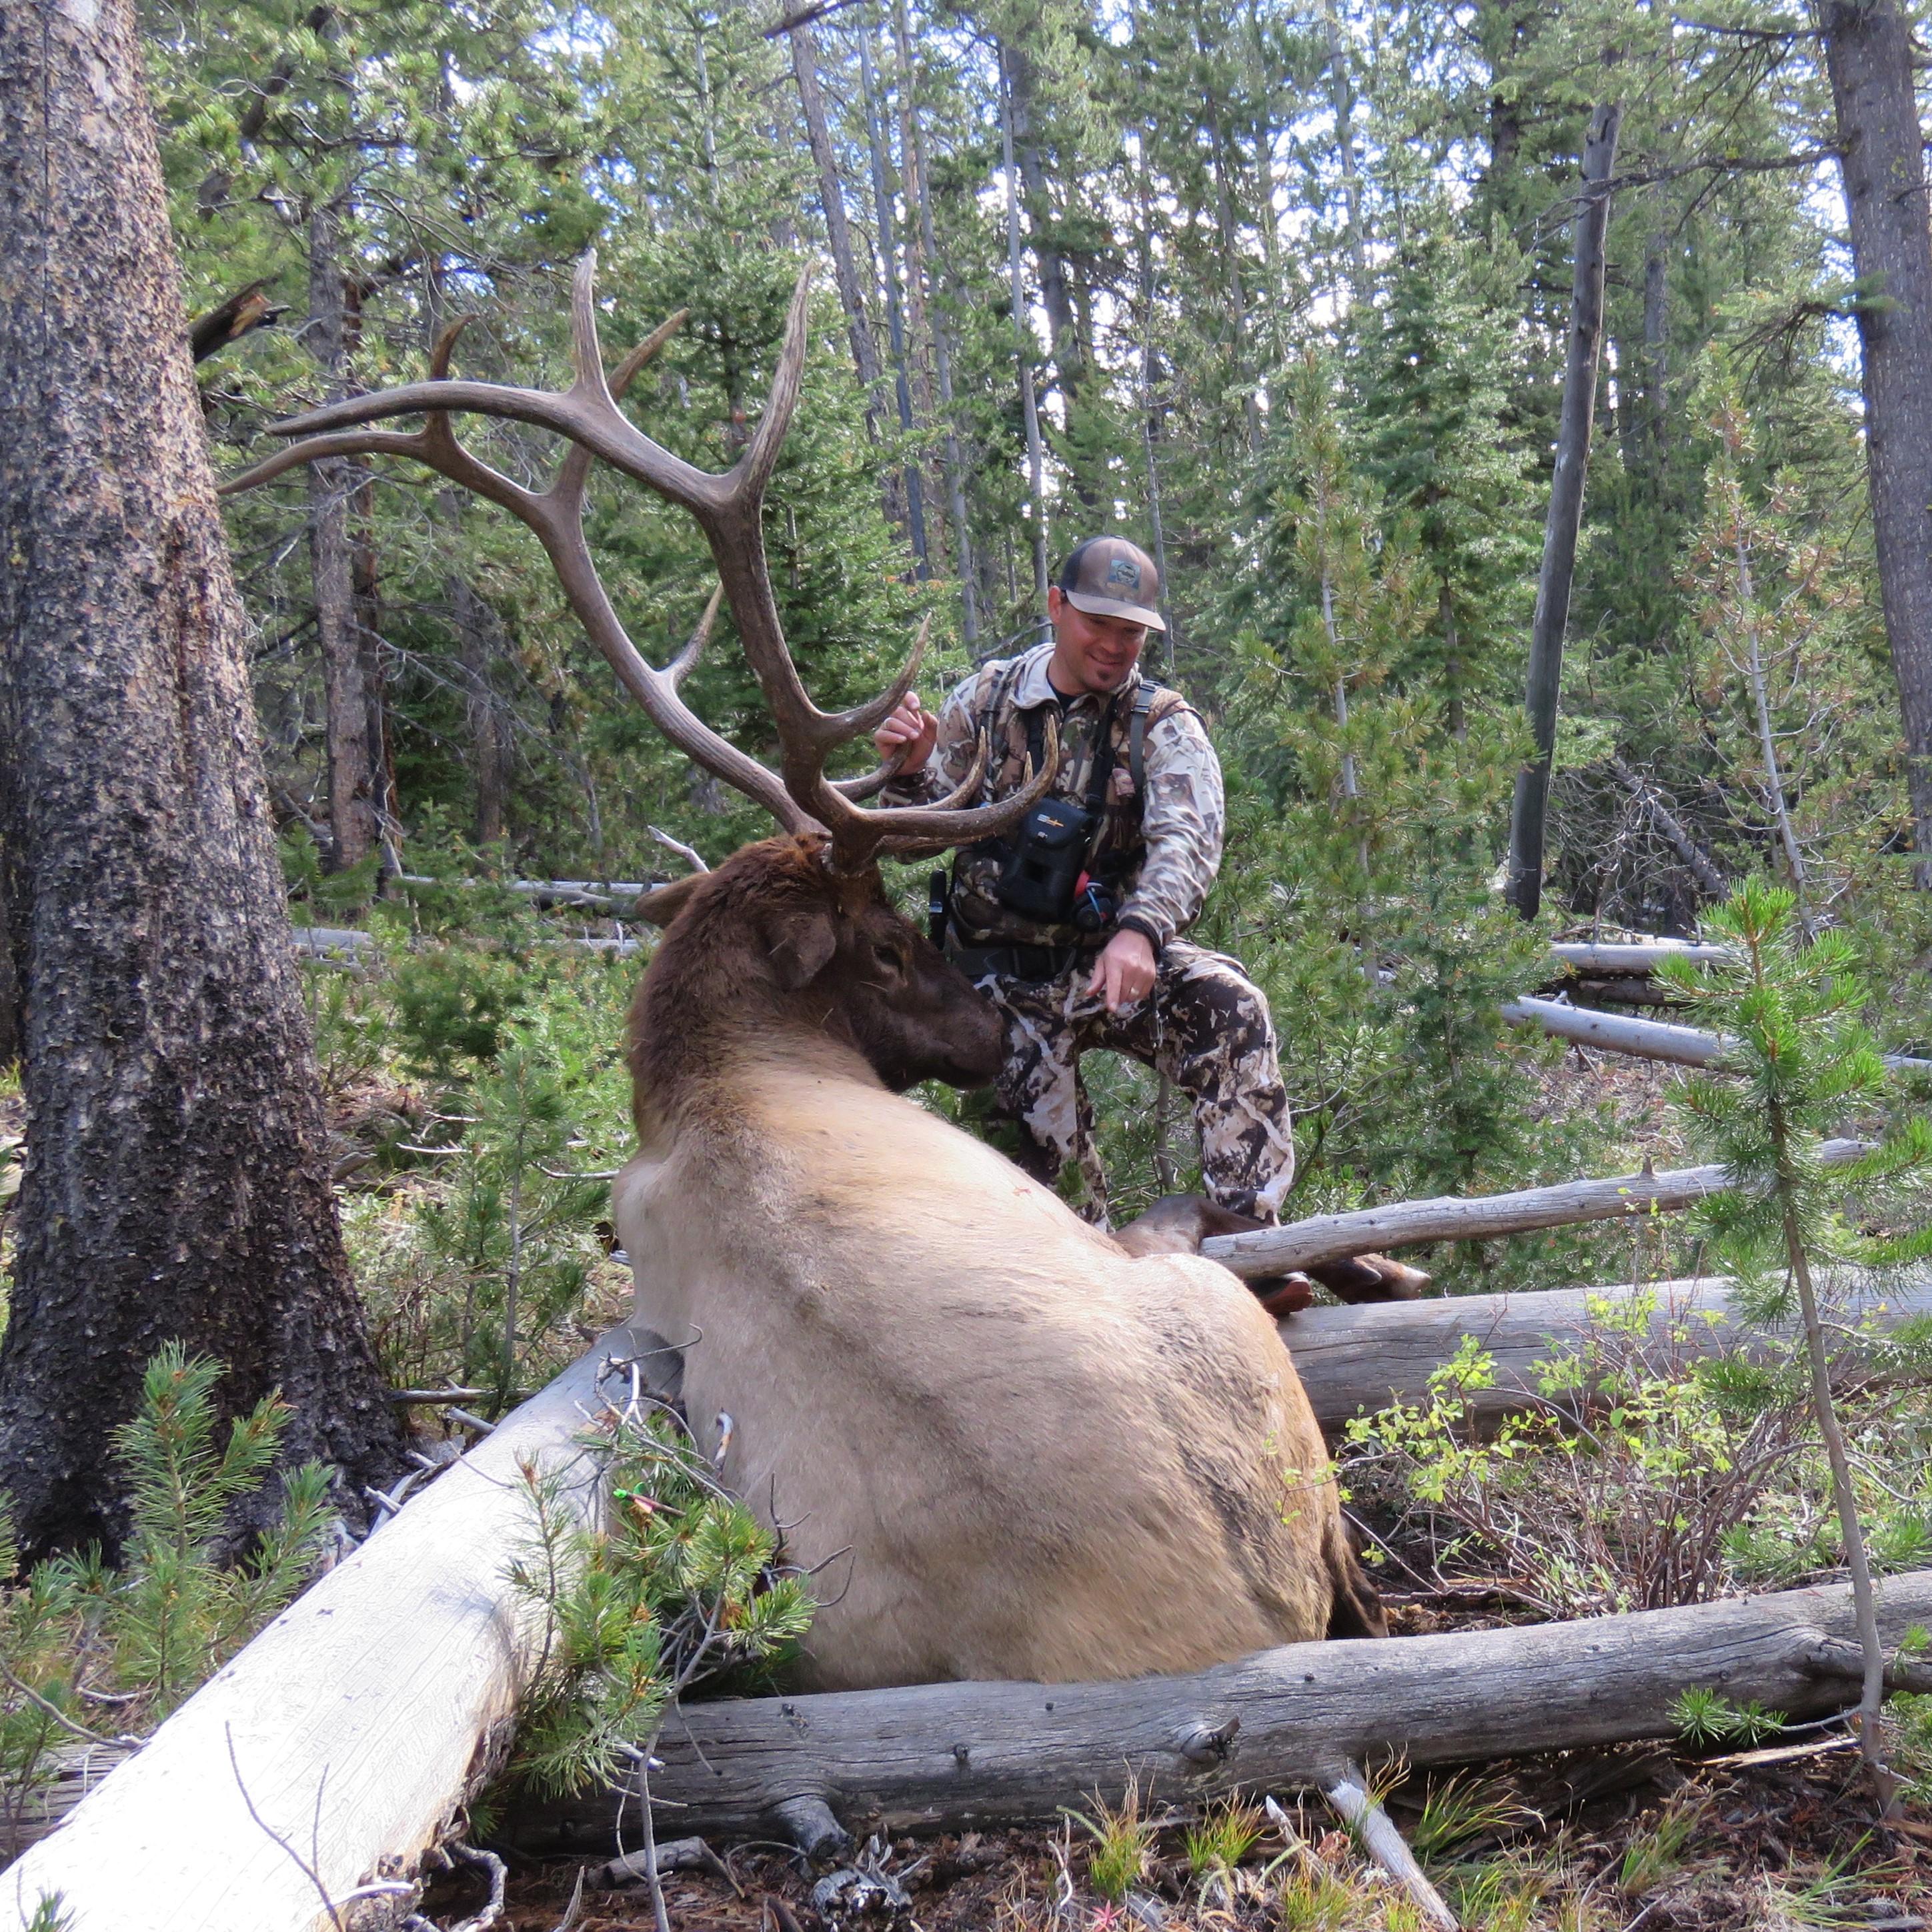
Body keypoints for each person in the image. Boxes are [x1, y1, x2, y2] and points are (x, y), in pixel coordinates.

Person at [876, 535, 1296, 1227]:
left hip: (1110, 962)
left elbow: (1188, 839)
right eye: (1096, 622)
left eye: (1129, 631)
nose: (1112, 644)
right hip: (996, 985)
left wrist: (1138, 930)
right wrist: (909, 773)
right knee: (1043, 1211)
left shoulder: (1160, 724)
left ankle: (1248, 1245)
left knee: (1230, 1007)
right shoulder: (984, 703)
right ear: (1055, 607)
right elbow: (903, 841)